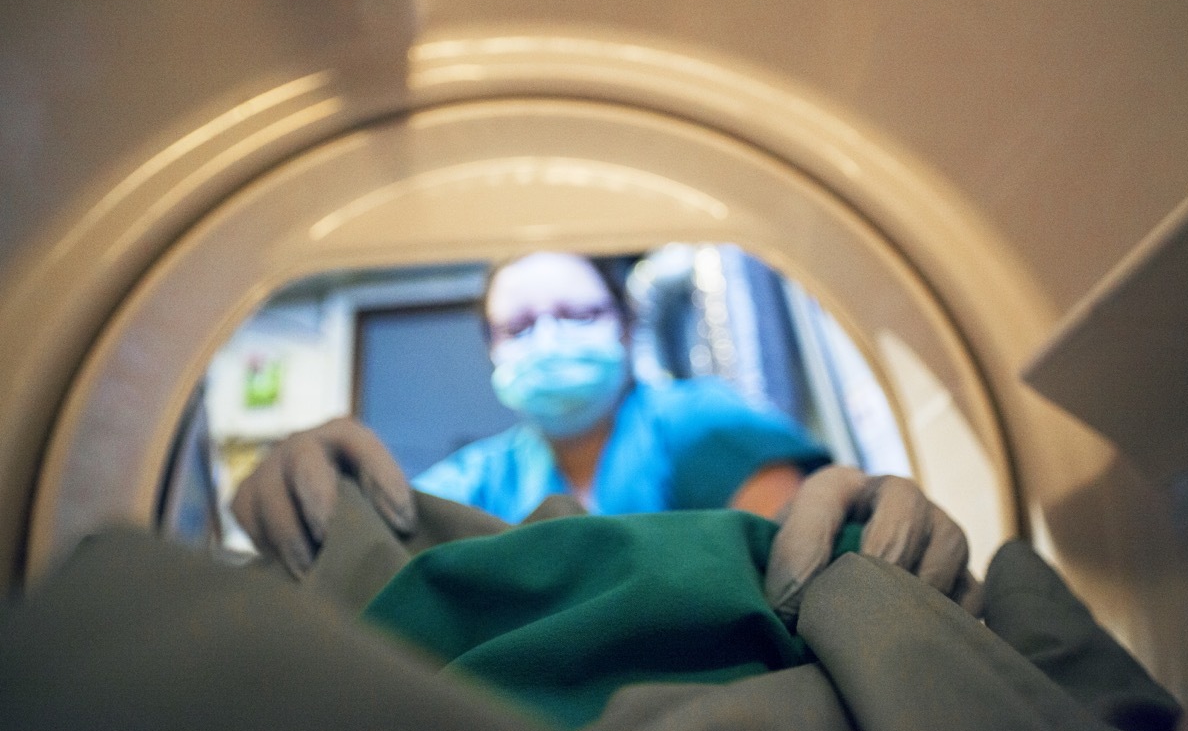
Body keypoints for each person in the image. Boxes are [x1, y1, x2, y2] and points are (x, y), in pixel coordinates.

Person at [233, 251, 976, 618]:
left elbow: (793, 555)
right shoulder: (481, 475)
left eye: (578, 315)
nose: (550, 339)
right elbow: (383, 554)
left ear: (622, 326)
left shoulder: (693, 419)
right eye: (520, 327)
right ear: (492, 351)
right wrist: (316, 496)